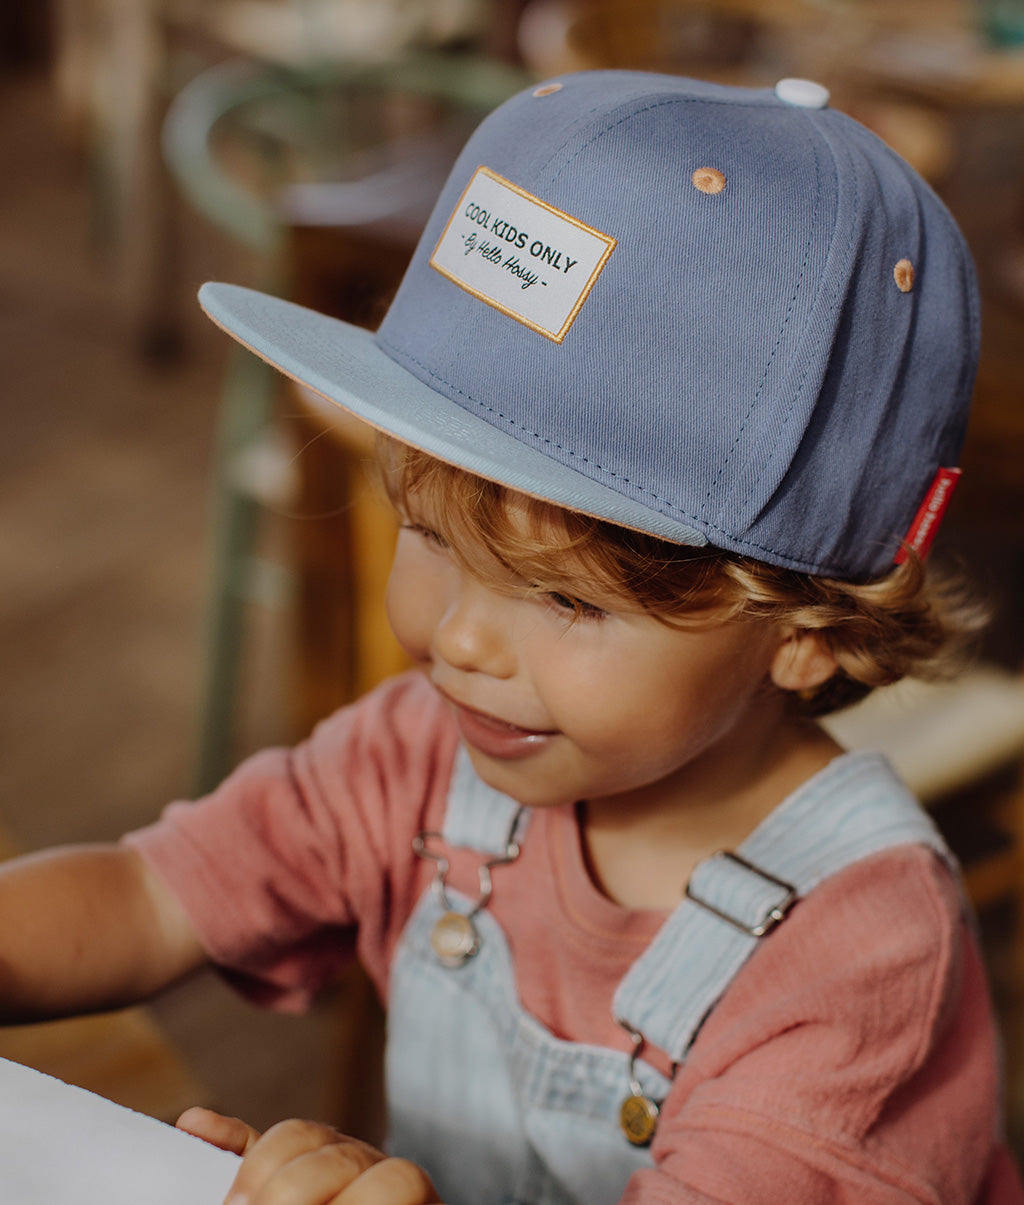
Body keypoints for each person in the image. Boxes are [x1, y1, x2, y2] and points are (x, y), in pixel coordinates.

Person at [2, 69, 1022, 1203]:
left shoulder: (859, 956)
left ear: (807, 627)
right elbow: (153, 894)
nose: (458, 638)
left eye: (565, 600)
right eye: (428, 535)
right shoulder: (422, 753)